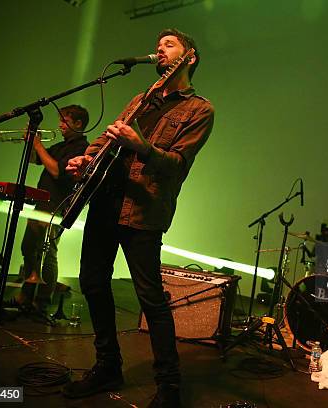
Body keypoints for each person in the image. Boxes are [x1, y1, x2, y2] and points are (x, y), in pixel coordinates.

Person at [63, 28, 214, 408]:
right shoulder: (140, 98)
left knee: (150, 297)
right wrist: (87, 157)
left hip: (143, 210)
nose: (159, 51)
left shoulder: (200, 110)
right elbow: (107, 139)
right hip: (104, 202)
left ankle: (169, 386)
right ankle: (107, 365)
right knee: (93, 283)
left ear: (189, 57)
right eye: (157, 45)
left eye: (169, 45)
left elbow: (177, 165)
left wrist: (141, 146)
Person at [10, 105, 90, 314]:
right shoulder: (60, 146)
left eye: (64, 121)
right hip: (41, 203)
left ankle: (43, 301)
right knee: (29, 247)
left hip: (56, 205)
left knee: (47, 252)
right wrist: (30, 142)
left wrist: (38, 145)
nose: (60, 125)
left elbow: (56, 171)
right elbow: (36, 160)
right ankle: (27, 295)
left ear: (78, 124)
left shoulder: (81, 148)